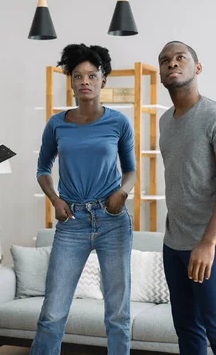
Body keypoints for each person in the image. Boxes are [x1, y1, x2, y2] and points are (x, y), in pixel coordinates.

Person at [30, 43, 136, 355]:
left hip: (112, 221)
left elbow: (130, 170)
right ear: (71, 82)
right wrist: (54, 199)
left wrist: (122, 192)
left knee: (118, 313)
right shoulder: (57, 123)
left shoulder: (118, 122)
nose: (85, 81)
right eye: (78, 76)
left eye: (92, 75)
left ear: (104, 80)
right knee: (52, 312)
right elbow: (42, 168)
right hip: (71, 222)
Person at [157, 41, 216, 355]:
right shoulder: (165, 121)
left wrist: (207, 243)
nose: (172, 63)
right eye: (165, 60)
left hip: (214, 241)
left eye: (180, 57)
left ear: (197, 67)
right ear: (161, 74)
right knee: (187, 329)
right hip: (175, 241)